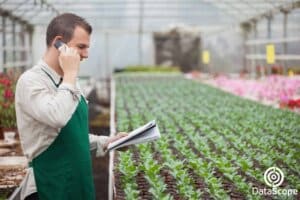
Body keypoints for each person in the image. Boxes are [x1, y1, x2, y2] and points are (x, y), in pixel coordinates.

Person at [15, 13, 127, 200]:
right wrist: (70, 75)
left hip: (78, 183)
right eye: (81, 47)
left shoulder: (70, 80)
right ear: (59, 43)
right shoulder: (31, 81)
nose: (86, 54)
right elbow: (57, 116)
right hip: (49, 187)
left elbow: (71, 135)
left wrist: (108, 142)